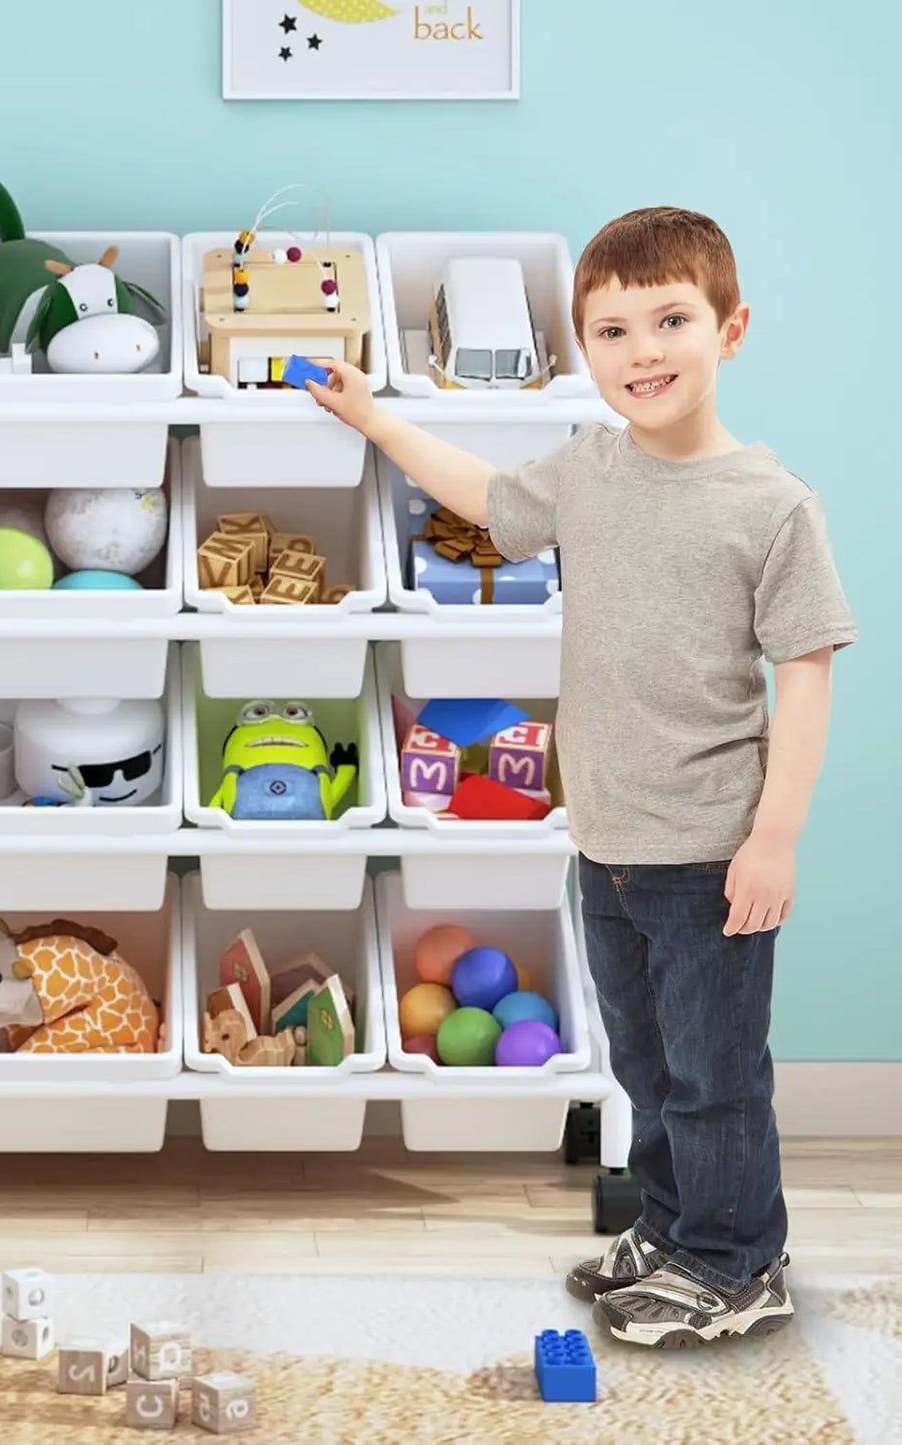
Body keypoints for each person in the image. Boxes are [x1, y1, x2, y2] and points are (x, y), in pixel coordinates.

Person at [308, 206, 856, 1348]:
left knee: (714, 1078)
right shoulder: (589, 469)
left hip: (708, 850)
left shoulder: (770, 506)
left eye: (668, 321)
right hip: (602, 839)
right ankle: (670, 1228)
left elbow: (802, 676)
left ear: (730, 328)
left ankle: (734, 1259)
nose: (640, 351)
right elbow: (487, 496)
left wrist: (774, 838)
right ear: (582, 350)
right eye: (610, 331)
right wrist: (373, 416)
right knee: (649, 1072)